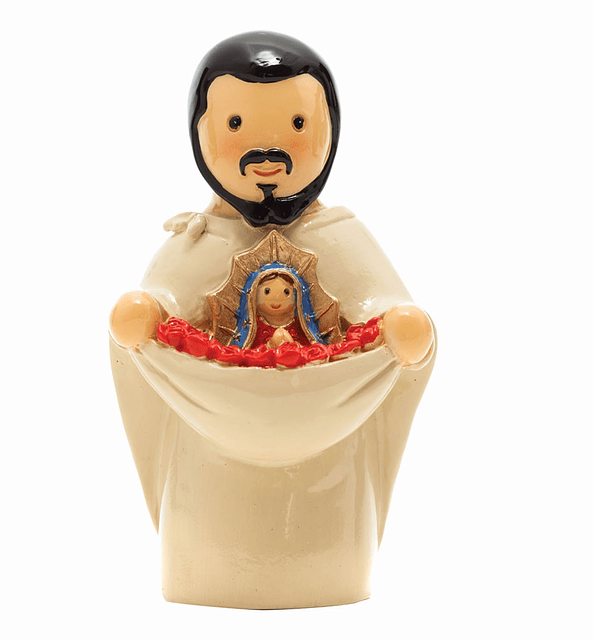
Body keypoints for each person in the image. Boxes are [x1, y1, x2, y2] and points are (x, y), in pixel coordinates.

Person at [109, 32, 435, 609]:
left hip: (329, 466)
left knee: (329, 536)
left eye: (297, 125)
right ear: (203, 134)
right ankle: (209, 573)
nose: (267, 154)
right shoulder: (200, 240)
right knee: (209, 531)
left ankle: (325, 572)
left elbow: (384, 310)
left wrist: (396, 326)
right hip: (209, 471)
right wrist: (150, 310)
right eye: (236, 125)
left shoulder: (338, 235)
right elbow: (159, 304)